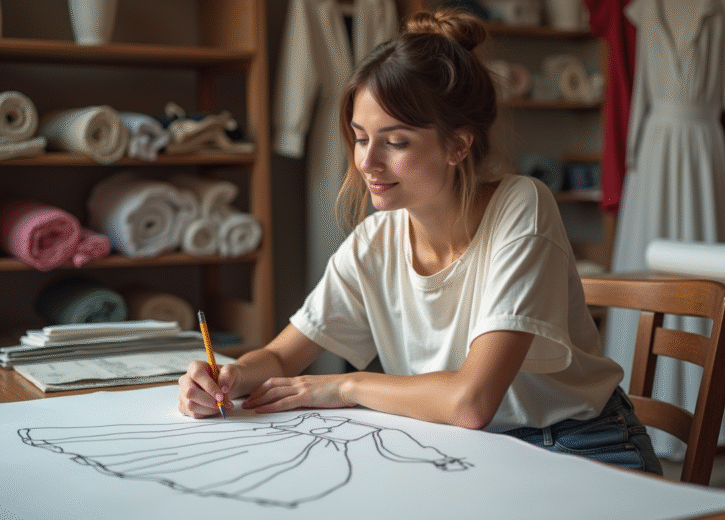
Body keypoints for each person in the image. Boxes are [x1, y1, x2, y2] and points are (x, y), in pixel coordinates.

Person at [178, 7, 662, 475]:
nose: (367, 163)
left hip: (579, 446)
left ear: (458, 145)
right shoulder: (375, 241)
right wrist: (230, 377)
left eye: (396, 142)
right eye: (360, 137)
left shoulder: (522, 206)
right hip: (474, 451)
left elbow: (471, 401)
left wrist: (346, 386)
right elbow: (282, 357)